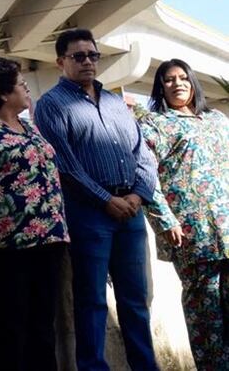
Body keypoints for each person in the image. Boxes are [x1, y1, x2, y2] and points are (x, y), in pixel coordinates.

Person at [34, 28, 159, 371]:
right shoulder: (51, 106)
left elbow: (143, 156)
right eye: (78, 56)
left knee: (136, 301)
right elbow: (64, 165)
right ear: (61, 61)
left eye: (92, 55)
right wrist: (106, 200)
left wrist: (137, 194)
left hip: (131, 213)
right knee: (91, 302)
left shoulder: (117, 102)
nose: (88, 61)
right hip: (89, 215)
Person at [0, 57, 69, 371]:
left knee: (43, 327)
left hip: (49, 239)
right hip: (7, 246)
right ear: (4, 93)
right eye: (21, 84)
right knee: (11, 328)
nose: (26, 88)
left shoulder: (29, 127)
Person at [139, 59, 229, 370]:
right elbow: (144, 175)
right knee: (207, 319)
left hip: (228, 229)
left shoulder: (217, 120)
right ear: (160, 87)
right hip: (193, 235)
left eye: (182, 77)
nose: (177, 84)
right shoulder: (154, 125)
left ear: (192, 82)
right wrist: (165, 220)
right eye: (168, 80)